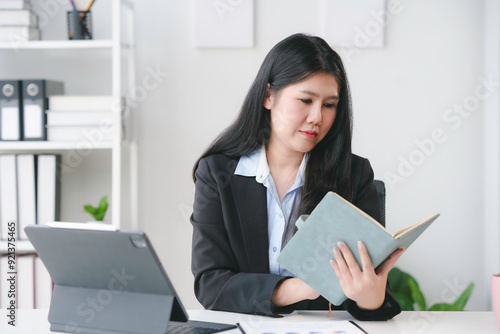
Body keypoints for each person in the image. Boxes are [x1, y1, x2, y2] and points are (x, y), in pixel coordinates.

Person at [190, 33, 403, 321]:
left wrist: (371, 297)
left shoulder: (354, 175)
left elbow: (375, 298)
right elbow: (211, 285)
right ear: (268, 96)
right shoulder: (218, 173)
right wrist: (300, 288)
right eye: (306, 100)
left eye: (329, 105)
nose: (317, 117)